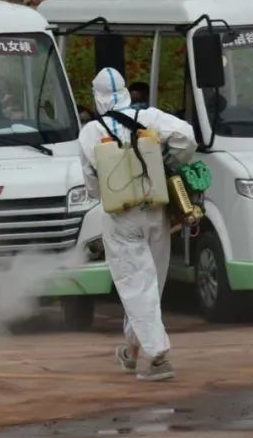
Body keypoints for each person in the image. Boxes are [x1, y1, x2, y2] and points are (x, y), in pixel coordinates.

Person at [78, 68, 197, 382]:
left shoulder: (91, 132)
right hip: (156, 210)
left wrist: (108, 191)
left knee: (136, 285)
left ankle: (158, 358)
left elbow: (91, 183)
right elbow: (187, 137)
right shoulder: (150, 117)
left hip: (122, 217)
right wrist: (170, 163)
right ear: (125, 92)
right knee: (149, 286)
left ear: (98, 97)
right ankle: (131, 351)